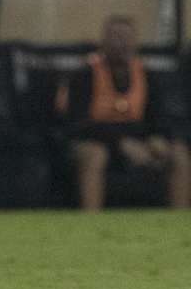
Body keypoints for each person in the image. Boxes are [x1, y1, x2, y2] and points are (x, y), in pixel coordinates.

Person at [55, 15, 190, 211]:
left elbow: (158, 116)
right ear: (103, 42)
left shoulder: (147, 75)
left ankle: (180, 217)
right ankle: (91, 219)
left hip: (138, 140)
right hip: (93, 139)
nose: (122, 44)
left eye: (127, 38)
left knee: (178, 153)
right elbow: (76, 124)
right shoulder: (85, 75)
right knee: (95, 155)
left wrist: (157, 138)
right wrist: (120, 143)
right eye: (116, 37)